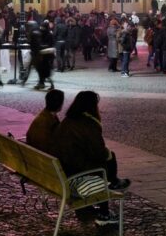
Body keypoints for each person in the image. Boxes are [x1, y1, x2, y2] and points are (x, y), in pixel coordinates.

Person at [52, 91, 130, 225]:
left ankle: (113, 182)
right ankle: (104, 214)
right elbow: (99, 153)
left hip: (64, 169)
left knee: (105, 160)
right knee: (103, 165)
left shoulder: (68, 120)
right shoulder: (87, 124)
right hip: (74, 174)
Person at [26, 89, 64, 154]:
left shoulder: (44, 115)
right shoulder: (47, 121)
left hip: (35, 153)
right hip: (43, 156)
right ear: (60, 104)